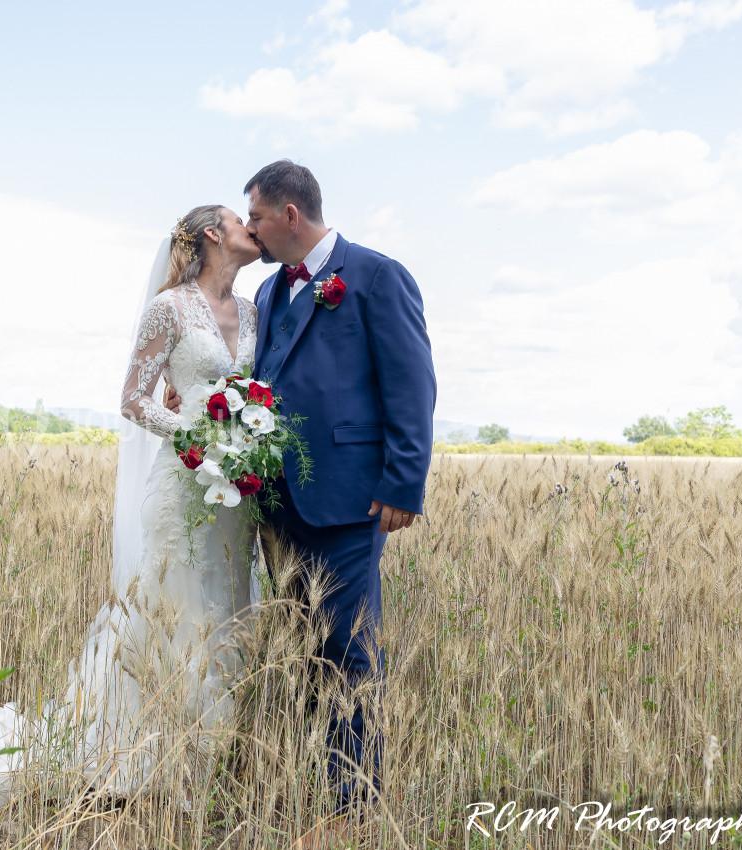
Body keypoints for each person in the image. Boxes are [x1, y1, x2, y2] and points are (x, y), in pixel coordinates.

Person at [0, 204, 266, 812]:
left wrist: (243, 442)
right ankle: (150, 757)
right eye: (240, 219)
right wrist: (196, 438)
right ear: (213, 234)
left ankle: (215, 762)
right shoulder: (170, 308)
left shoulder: (253, 311)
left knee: (228, 615)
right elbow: (134, 400)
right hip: (184, 483)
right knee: (176, 615)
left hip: (234, 496)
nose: (251, 227)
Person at [165, 160, 436, 847]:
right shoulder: (274, 291)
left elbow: (412, 385)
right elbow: (258, 377)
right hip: (275, 501)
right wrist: (197, 396)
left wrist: (403, 484)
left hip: (349, 501)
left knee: (348, 653)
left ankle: (354, 809)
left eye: (254, 216)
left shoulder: (375, 276)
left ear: (289, 214)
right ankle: (310, 784)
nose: (247, 228)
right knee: (303, 653)